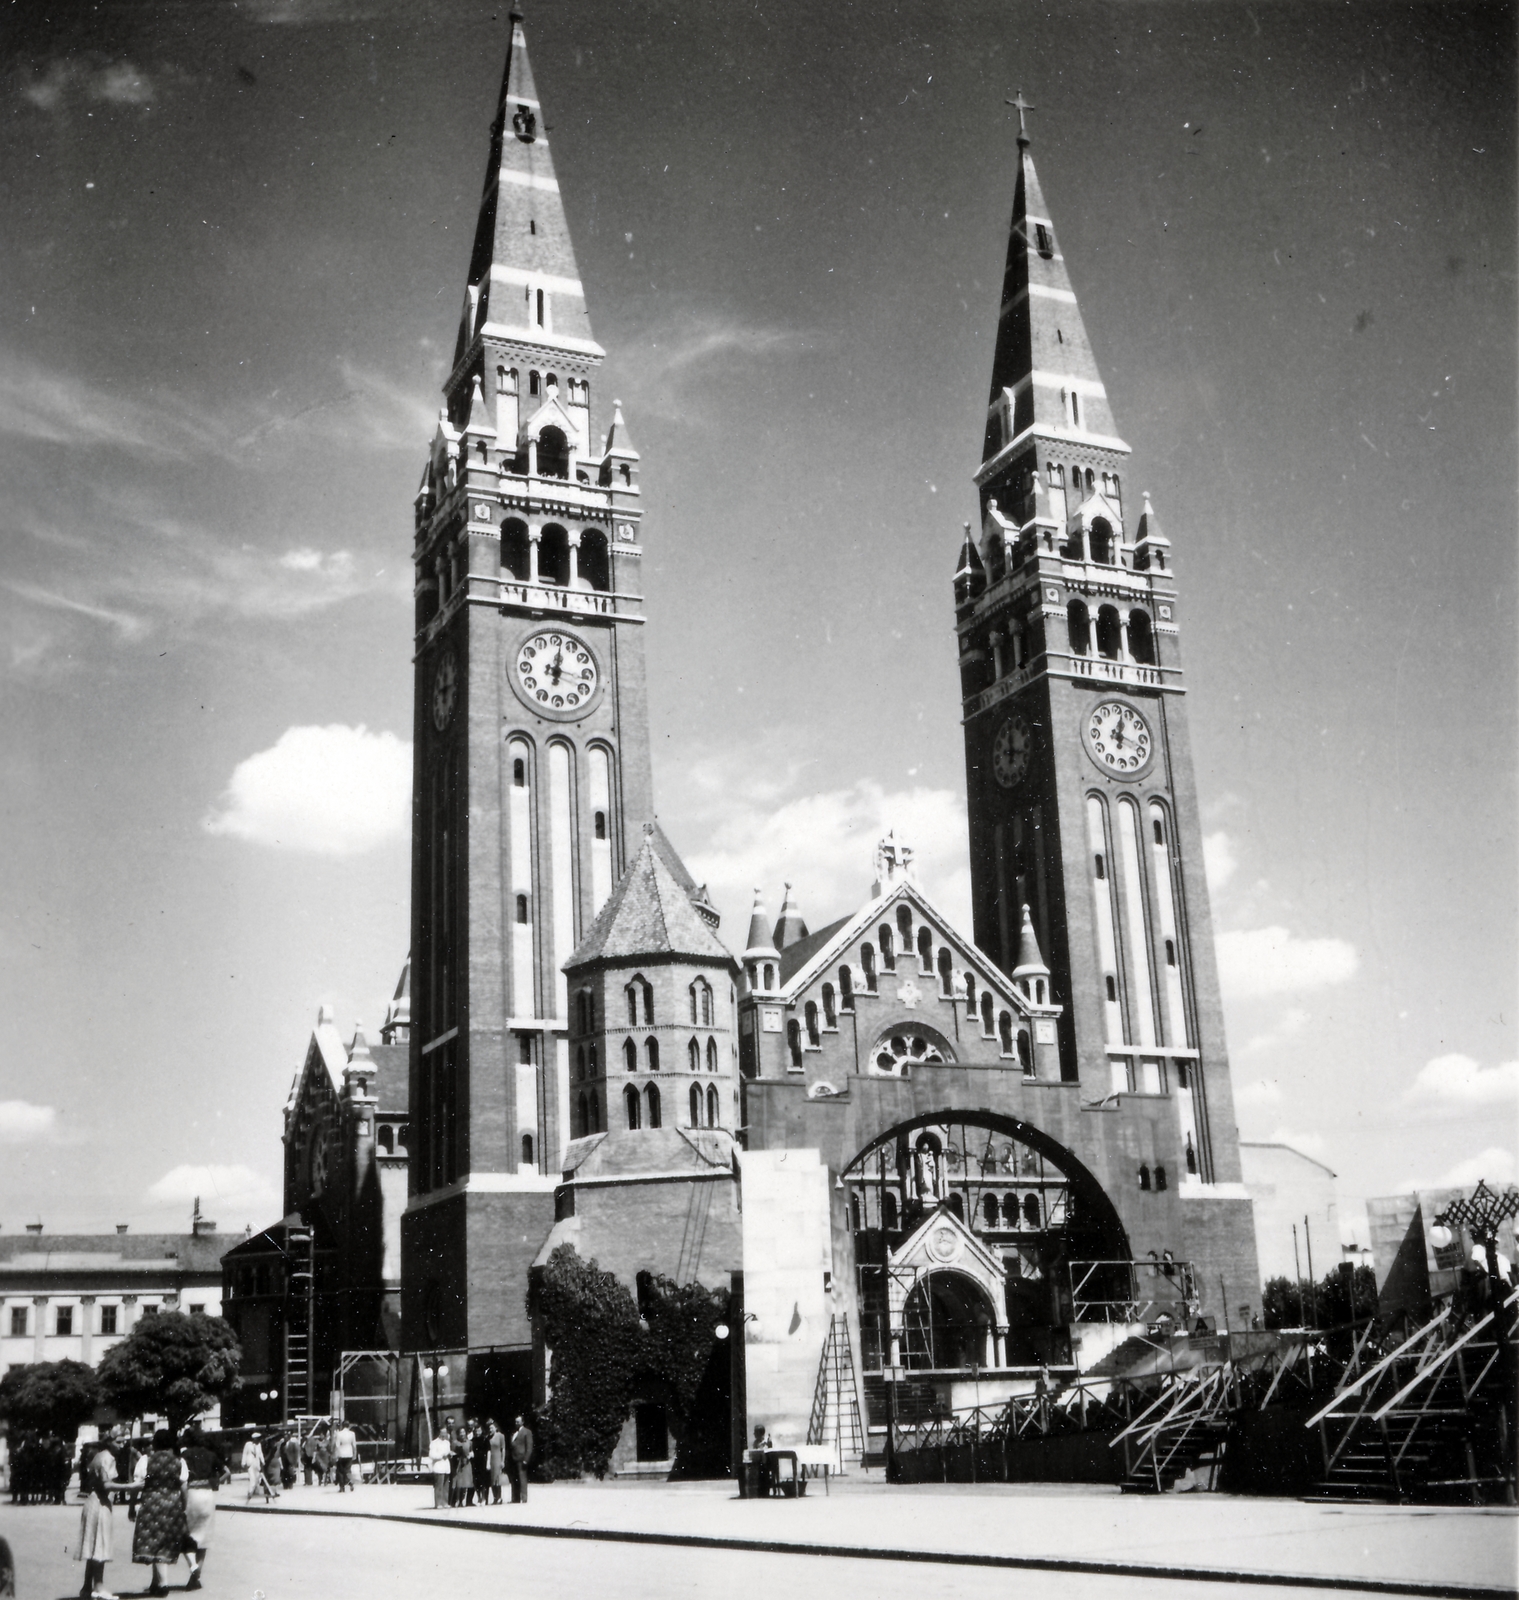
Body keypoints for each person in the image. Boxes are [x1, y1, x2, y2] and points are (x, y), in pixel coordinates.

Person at [131, 1430, 188, 1598]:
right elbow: (184, 1487)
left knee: (154, 1543)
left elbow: (137, 1484)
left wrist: (132, 1505)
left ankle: (163, 1584)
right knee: (164, 1543)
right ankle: (156, 1582)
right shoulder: (180, 1461)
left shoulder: (145, 1460)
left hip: (150, 1505)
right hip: (172, 1505)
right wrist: (183, 1506)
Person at [180, 1426, 227, 1591]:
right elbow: (227, 1472)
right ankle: (195, 1576)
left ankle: (192, 1566)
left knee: (186, 1535)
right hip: (207, 1495)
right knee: (203, 1538)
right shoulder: (211, 1455)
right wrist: (213, 1482)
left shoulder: (184, 1455)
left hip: (191, 1494)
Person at [72, 1442, 116, 1600]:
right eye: (116, 1441)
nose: (120, 1444)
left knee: (93, 1546)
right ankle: (98, 1586)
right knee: (100, 1545)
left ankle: (86, 1587)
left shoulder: (97, 1457)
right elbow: (106, 1484)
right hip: (100, 1504)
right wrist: (131, 1487)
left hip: (92, 1503)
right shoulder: (106, 1458)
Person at [241, 1433, 273, 1503]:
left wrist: (263, 1461)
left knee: (257, 1478)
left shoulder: (259, 1445)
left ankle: (253, 1492)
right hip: (250, 1464)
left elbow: (260, 1453)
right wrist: (243, 1463)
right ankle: (249, 1493)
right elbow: (244, 1453)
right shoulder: (248, 1445)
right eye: (258, 1438)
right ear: (254, 1438)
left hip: (257, 1464)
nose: (259, 1440)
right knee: (252, 1478)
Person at [509, 1416, 533, 1505]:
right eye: (515, 1422)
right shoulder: (513, 1432)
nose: (516, 1423)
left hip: (521, 1459)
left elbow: (529, 1447)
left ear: (522, 1422)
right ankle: (515, 1498)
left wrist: (526, 1459)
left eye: (518, 1422)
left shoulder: (527, 1432)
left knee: (522, 1479)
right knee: (514, 1479)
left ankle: (524, 1498)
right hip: (513, 1459)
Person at [427, 1426, 453, 1510]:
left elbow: (448, 1452)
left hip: (446, 1466)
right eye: (443, 1432)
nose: (444, 1434)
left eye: (445, 1432)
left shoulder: (447, 1443)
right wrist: (442, 1455)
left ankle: (445, 1502)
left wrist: (450, 1454)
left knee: (446, 1486)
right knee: (439, 1486)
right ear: (439, 1432)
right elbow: (431, 1455)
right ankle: (438, 1503)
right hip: (438, 1466)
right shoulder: (434, 1443)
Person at [331, 1420, 358, 1492]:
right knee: (348, 1470)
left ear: (342, 1426)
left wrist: (335, 1454)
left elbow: (337, 1445)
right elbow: (354, 1445)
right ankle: (351, 1482)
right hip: (349, 1453)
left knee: (340, 1471)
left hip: (341, 1454)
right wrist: (355, 1454)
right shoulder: (352, 1434)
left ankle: (342, 1487)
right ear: (348, 1426)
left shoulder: (339, 1434)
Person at [451, 1423, 473, 1507]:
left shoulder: (469, 1442)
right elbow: (452, 1452)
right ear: (458, 1434)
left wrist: (471, 1455)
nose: (462, 1434)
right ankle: (457, 1500)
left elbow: (471, 1451)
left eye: (463, 1432)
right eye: (460, 1432)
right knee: (458, 1484)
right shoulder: (455, 1443)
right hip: (459, 1464)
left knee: (465, 1484)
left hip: (467, 1464)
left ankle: (462, 1500)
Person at [468, 1422, 489, 1508]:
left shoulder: (485, 1439)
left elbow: (488, 1452)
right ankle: (479, 1498)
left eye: (479, 1430)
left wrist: (488, 1463)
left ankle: (484, 1498)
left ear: (481, 1431)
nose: (477, 1432)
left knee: (483, 1481)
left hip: (483, 1462)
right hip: (474, 1462)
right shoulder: (472, 1441)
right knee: (476, 1482)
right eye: (476, 1431)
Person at [487, 1419, 506, 1505]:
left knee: (498, 1479)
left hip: (498, 1458)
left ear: (496, 1428)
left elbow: (503, 1449)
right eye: (489, 1428)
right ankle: (495, 1497)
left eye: (492, 1428)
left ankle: (499, 1497)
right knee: (492, 1480)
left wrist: (503, 1460)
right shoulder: (489, 1437)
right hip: (491, 1459)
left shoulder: (501, 1436)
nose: (490, 1430)